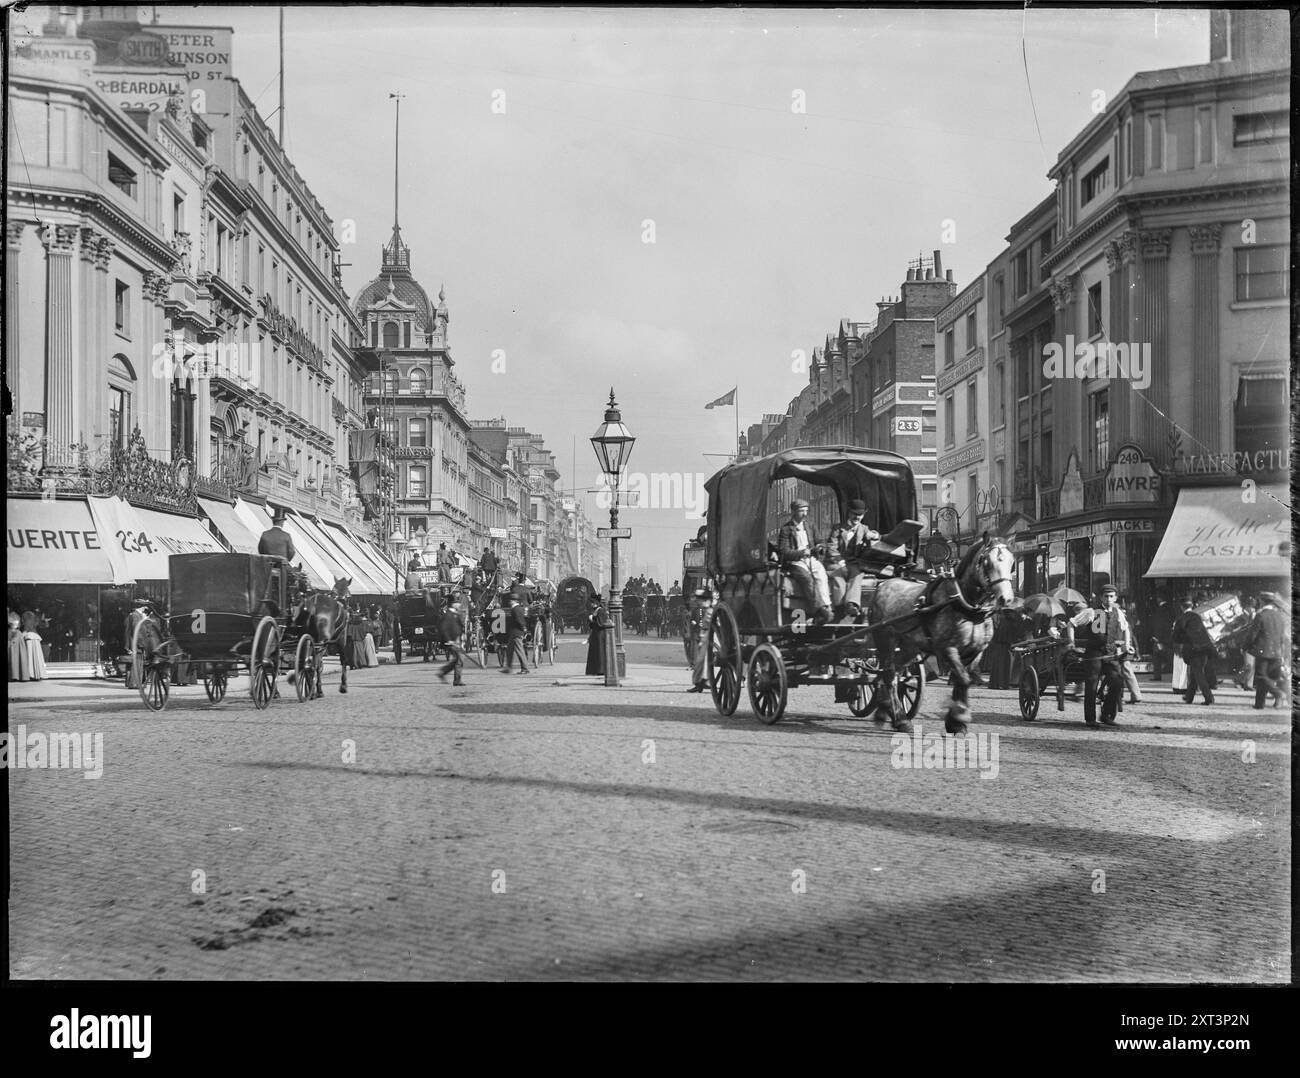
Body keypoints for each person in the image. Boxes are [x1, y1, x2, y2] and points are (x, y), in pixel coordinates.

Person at [1065, 586, 1127, 726]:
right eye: (1106, 596)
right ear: (1101, 597)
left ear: (1116, 598)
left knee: (1117, 682)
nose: (1109, 599)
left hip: (1110, 653)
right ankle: (1090, 719)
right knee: (1092, 683)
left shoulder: (1119, 613)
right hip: (1094, 653)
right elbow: (1071, 623)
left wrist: (1126, 645)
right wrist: (1071, 642)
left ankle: (1106, 715)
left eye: (1111, 596)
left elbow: (1125, 628)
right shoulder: (1091, 612)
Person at [776, 498, 832, 623]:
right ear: (794, 512)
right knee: (807, 579)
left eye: (806, 511)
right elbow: (783, 552)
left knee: (821, 575)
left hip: (811, 559)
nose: (805, 514)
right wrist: (801, 553)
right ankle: (820, 609)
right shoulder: (786, 529)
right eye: (802, 511)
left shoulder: (810, 525)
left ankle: (827, 607)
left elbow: (821, 541)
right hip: (795, 562)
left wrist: (820, 547)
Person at [825, 498, 881, 621]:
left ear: (864, 515)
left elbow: (877, 536)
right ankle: (839, 606)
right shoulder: (838, 529)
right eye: (855, 514)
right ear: (849, 513)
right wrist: (840, 562)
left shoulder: (864, 528)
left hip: (853, 563)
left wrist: (874, 535)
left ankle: (852, 604)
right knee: (838, 576)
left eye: (860, 515)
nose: (857, 517)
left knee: (857, 575)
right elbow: (831, 547)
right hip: (836, 562)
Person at [1243, 592, 1287, 709]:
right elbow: (1282, 636)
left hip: (1263, 651)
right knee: (1270, 677)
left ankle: (1278, 694)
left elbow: (1253, 634)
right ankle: (1260, 704)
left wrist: (1245, 646)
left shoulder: (1261, 615)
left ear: (1262, 601)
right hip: (1277, 652)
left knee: (1261, 676)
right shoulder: (1280, 616)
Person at [1171, 596, 1215, 705]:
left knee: (1198, 674)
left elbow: (1175, 637)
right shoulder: (1198, 617)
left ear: (1181, 607)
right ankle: (1189, 697)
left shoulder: (1181, 619)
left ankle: (1209, 698)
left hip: (1193, 650)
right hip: (1205, 649)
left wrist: (1184, 640)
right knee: (1195, 674)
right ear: (1192, 606)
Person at [687, 589, 715, 692]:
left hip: (709, 638)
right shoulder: (707, 610)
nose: (697, 602)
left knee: (701, 660)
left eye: (699, 600)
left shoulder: (709, 611)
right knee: (701, 661)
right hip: (706, 637)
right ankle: (701, 682)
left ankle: (701, 682)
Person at [436, 596, 467, 686]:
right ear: (453, 604)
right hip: (451, 641)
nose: (459, 604)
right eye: (457, 603)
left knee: (457, 659)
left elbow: (460, 626)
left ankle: (443, 672)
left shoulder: (455, 613)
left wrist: (463, 635)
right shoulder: (448, 615)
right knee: (459, 659)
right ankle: (456, 680)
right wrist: (449, 640)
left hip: (456, 639)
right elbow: (443, 628)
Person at [502, 593, 531, 674]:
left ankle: (525, 668)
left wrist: (523, 628)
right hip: (514, 632)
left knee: (519, 650)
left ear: (514, 601)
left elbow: (519, 620)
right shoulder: (517, 608)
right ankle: (508, 668)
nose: (510, 602)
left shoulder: (516, 609)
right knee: (509, 650)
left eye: (511, 600)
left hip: (516, 632)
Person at [585, 596, 611, 676]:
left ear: (596, 603)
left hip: (600, 635)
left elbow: (601, 622)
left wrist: (593, 618)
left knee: (599, 652)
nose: (591, 604)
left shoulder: (601, 611)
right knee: (595, 653)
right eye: (591, 603)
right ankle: (595, 670)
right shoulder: (596, 610)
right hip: (596, 634)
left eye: (593, 603)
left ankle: (600, 670)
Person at [20, 608, 47, 682]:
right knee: (37, 656)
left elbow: (26, 629)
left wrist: (21, 636)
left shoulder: (27, 620)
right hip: (35, 637)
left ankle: (30, 674)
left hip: (29, 638)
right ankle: (37, 674)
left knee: (30, 656)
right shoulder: (35, 620)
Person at [8, 610, 24, 681]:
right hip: (11, 648)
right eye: (13, 623)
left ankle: (16, 675)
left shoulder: (18, 633)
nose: (14, 625)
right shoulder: (10, 631)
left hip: (15, 649)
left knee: (15, 660)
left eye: (16, 623)